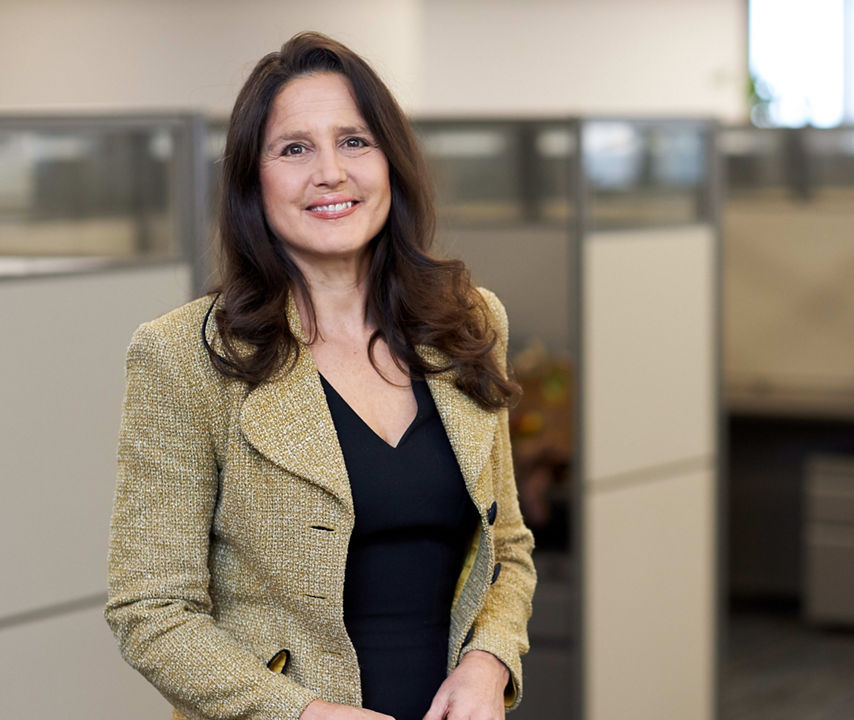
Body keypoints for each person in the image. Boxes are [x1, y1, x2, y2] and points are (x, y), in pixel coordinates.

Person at [105, 32, 535, 720]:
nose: (330, 172)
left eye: (355, 141)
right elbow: (150, 609)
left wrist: (490, 661)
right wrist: (301, 713)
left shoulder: (468, 324)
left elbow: (507, 546)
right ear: (254, 179)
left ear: (391, 160)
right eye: (294, 148)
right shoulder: (183, 355)